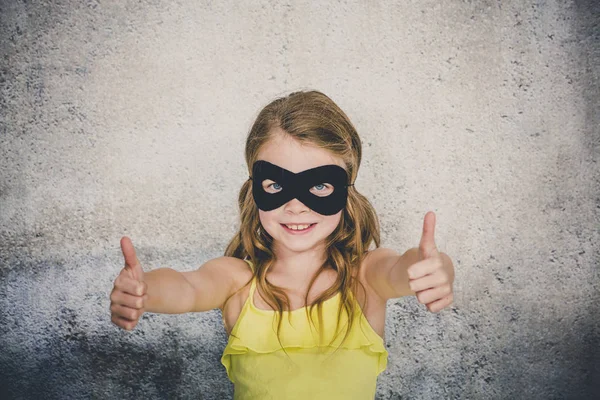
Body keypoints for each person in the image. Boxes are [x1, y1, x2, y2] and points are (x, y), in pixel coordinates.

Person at [110, 90, 455, 399]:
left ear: (346, 189)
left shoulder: (363, 279)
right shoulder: (238, 282)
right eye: (276, 186)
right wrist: (145, 291)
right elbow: (187, 288)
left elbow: (399, 269)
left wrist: (432, 269)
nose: (296, 206)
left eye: (319, 186)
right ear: (255, 187)